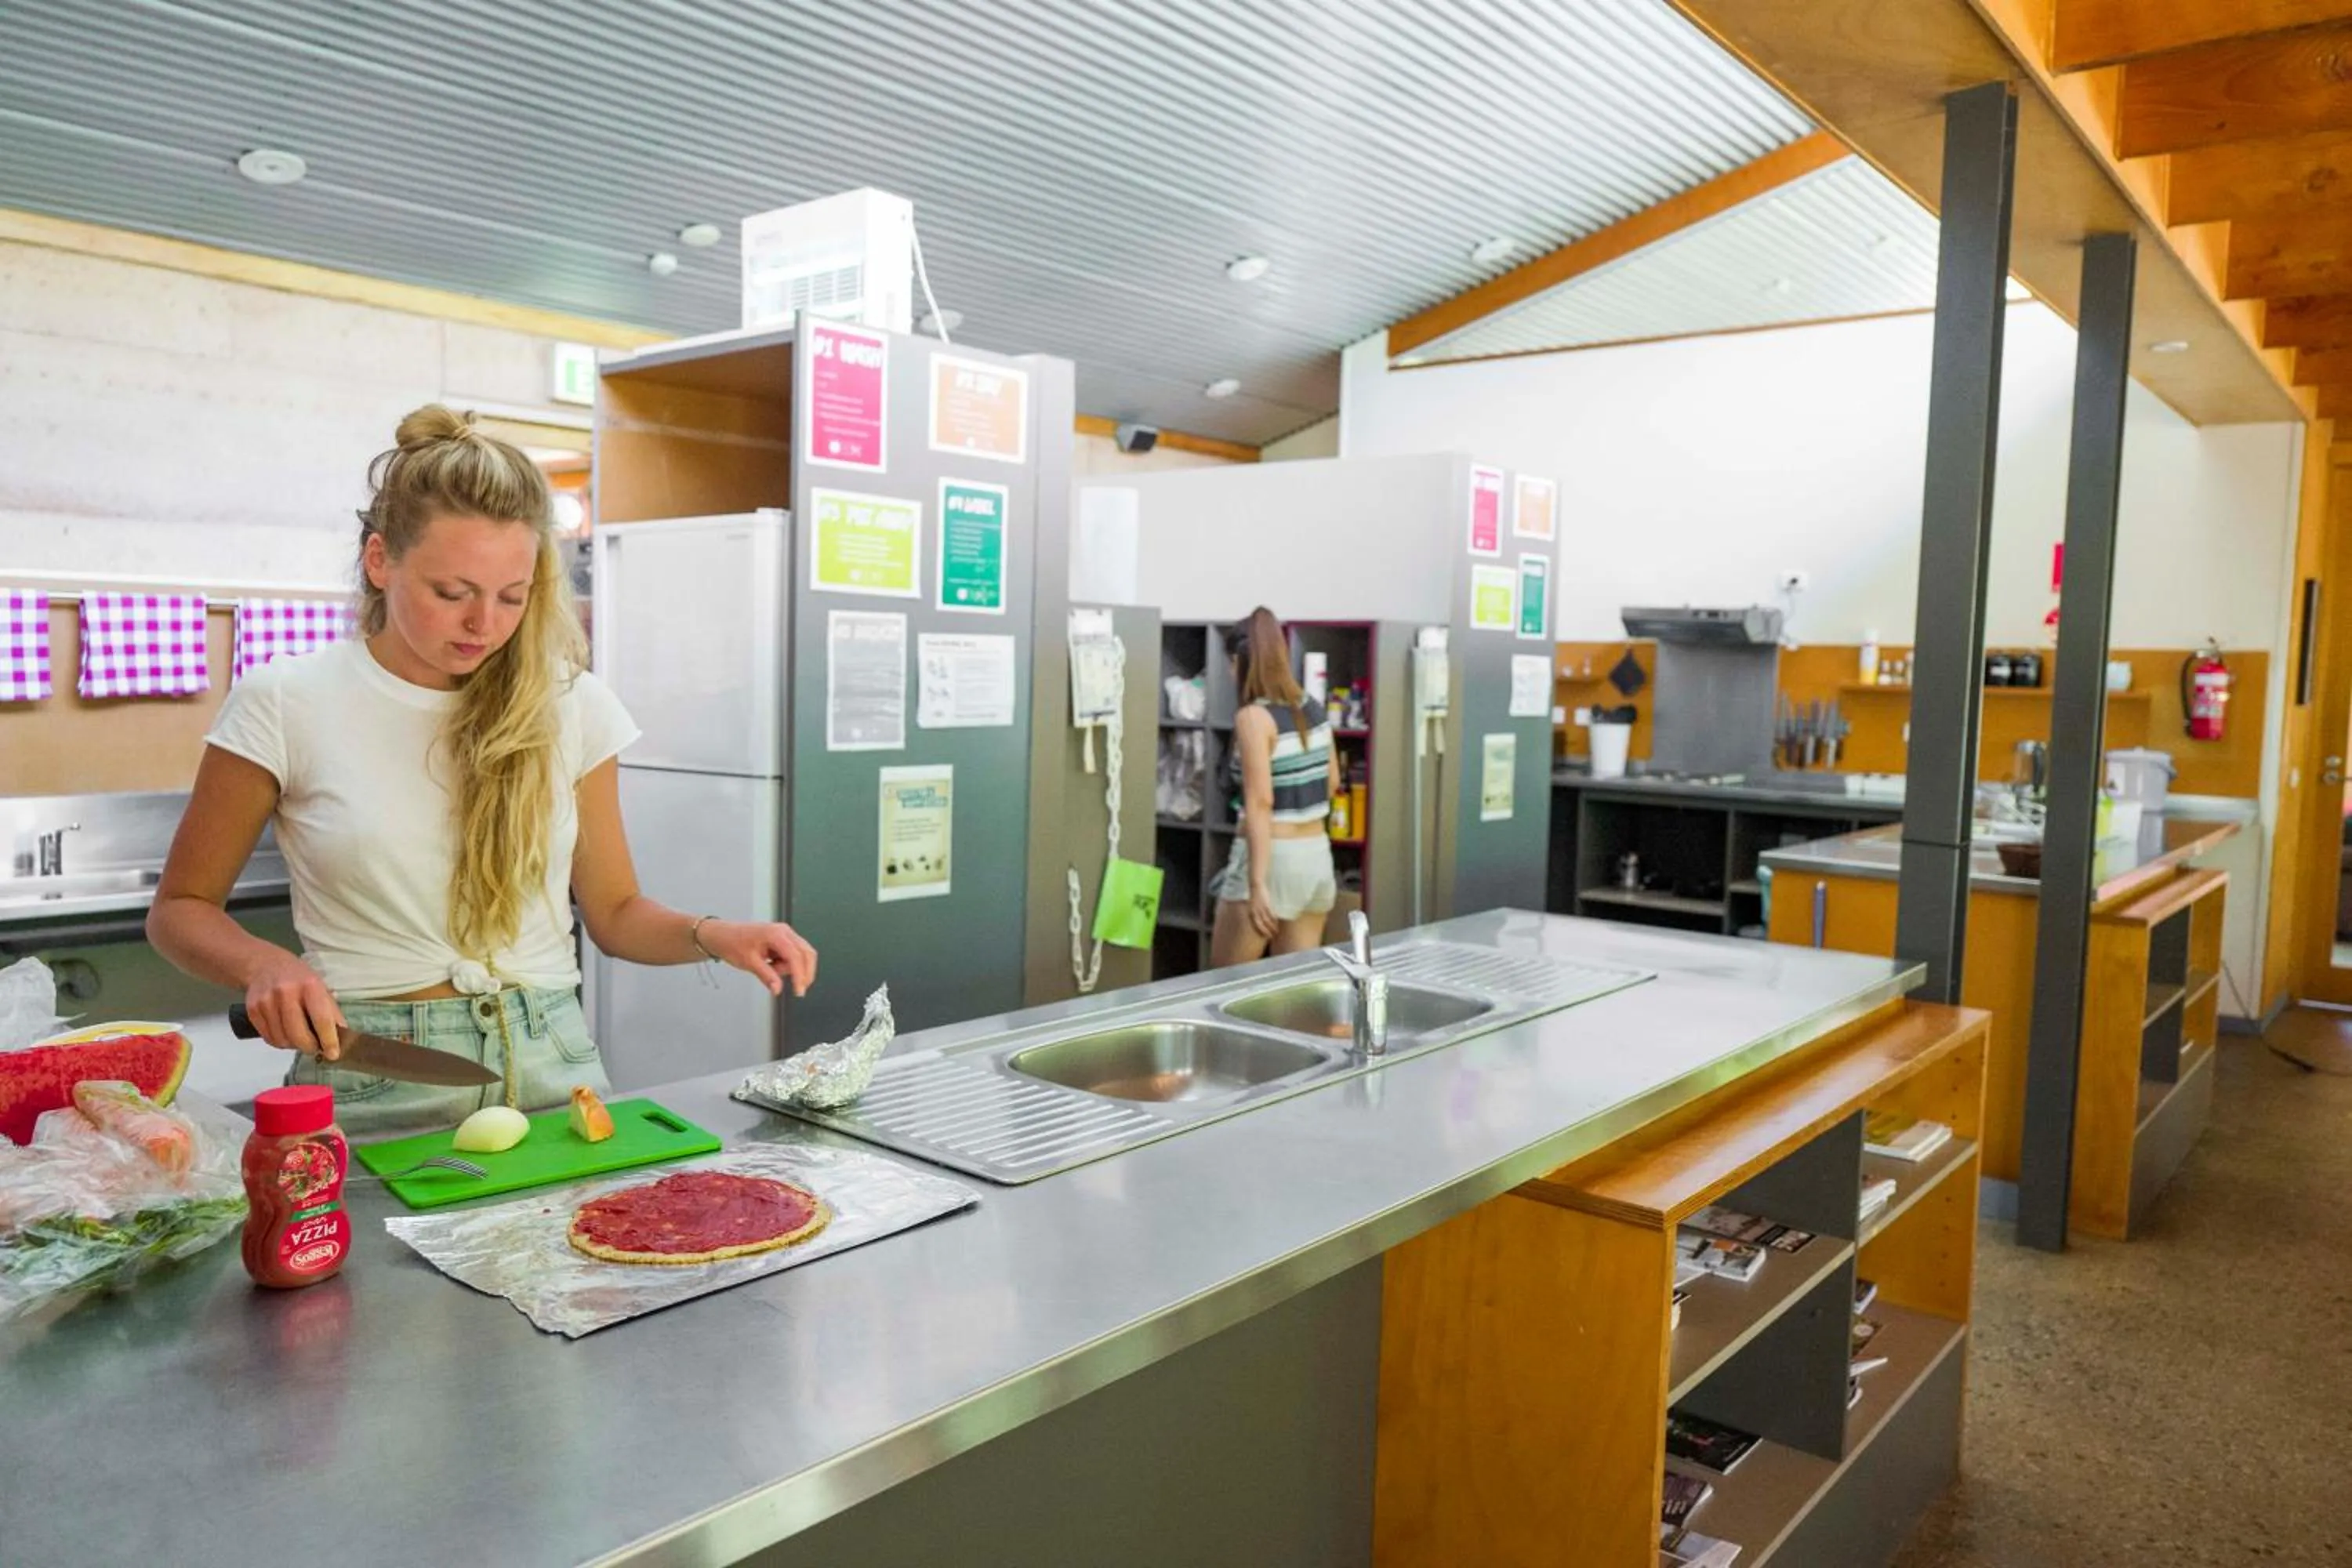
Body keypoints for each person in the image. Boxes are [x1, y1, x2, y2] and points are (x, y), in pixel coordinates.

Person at [148, 405, 818, 1135]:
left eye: (511, 597)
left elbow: (617, 914)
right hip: (375, 1073)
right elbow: (181, 909)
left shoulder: (573, 706)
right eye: (453, 593)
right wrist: (263, 966)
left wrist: (719, 935)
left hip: (558, 1066)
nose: (485, 626)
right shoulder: (284, 703)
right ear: (380, 561)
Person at [1208, 608, 1342, 967]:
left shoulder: (1254, 718)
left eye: (1230, 663)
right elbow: (1332, 781)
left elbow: (1260, 802)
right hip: (1315, 857)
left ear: (1240, 661)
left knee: (1222, 990)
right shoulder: (1311, 708)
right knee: (1293, 994)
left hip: (1273, 861)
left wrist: (1257, 884)